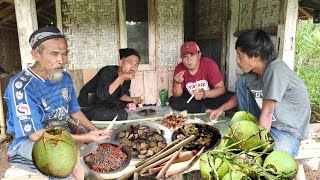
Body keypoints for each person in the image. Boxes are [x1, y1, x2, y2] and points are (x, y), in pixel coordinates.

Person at [4, 26, 111, 179]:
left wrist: (96, 131)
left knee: (91, 156)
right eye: (54, 54)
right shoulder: (21, 86)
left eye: (65, 54)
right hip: (30, 143)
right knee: (66, 163)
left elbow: (74, 111)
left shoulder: (64, 77)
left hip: (62, 136)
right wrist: (84, 138)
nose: (62, 60)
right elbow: (36, 135)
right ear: (36, 54)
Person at [209, 29, 310, 157]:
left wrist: (258, 147)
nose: (237, 61)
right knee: (242, 82)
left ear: (256, 55)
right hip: (268, 124)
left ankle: (257, 137)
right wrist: (221, 109)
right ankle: (251, 125)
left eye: (240, 55)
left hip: (287, 130)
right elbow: (240, 95)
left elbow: (268, 112)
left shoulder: (275, 71)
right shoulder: (253, 74)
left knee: (269, 160)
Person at [78, 48, 141, 120]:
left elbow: (119, 95)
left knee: (122, 109)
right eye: (130, 63)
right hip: (87, 106)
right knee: (121, 114)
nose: (133, 67)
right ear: (120, 62)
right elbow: (102, 95)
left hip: (102, 105)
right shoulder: (108, 71)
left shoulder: (126, 78)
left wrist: (132, 99)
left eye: (136, 65)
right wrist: (121, 78)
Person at [169, 41, 233, 113]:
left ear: (199, 55)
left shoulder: (209, 64)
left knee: (232, 97)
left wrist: (205, 94)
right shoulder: (179, 68)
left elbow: (221, 89)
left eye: (192, 55)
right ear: (181, 58)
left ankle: (204, 109)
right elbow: (177, 95)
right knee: (173, 100)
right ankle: (206, 110)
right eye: (185, 56)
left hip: (211, 97)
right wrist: (177, 83)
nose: (189, 60)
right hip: (193, 100)